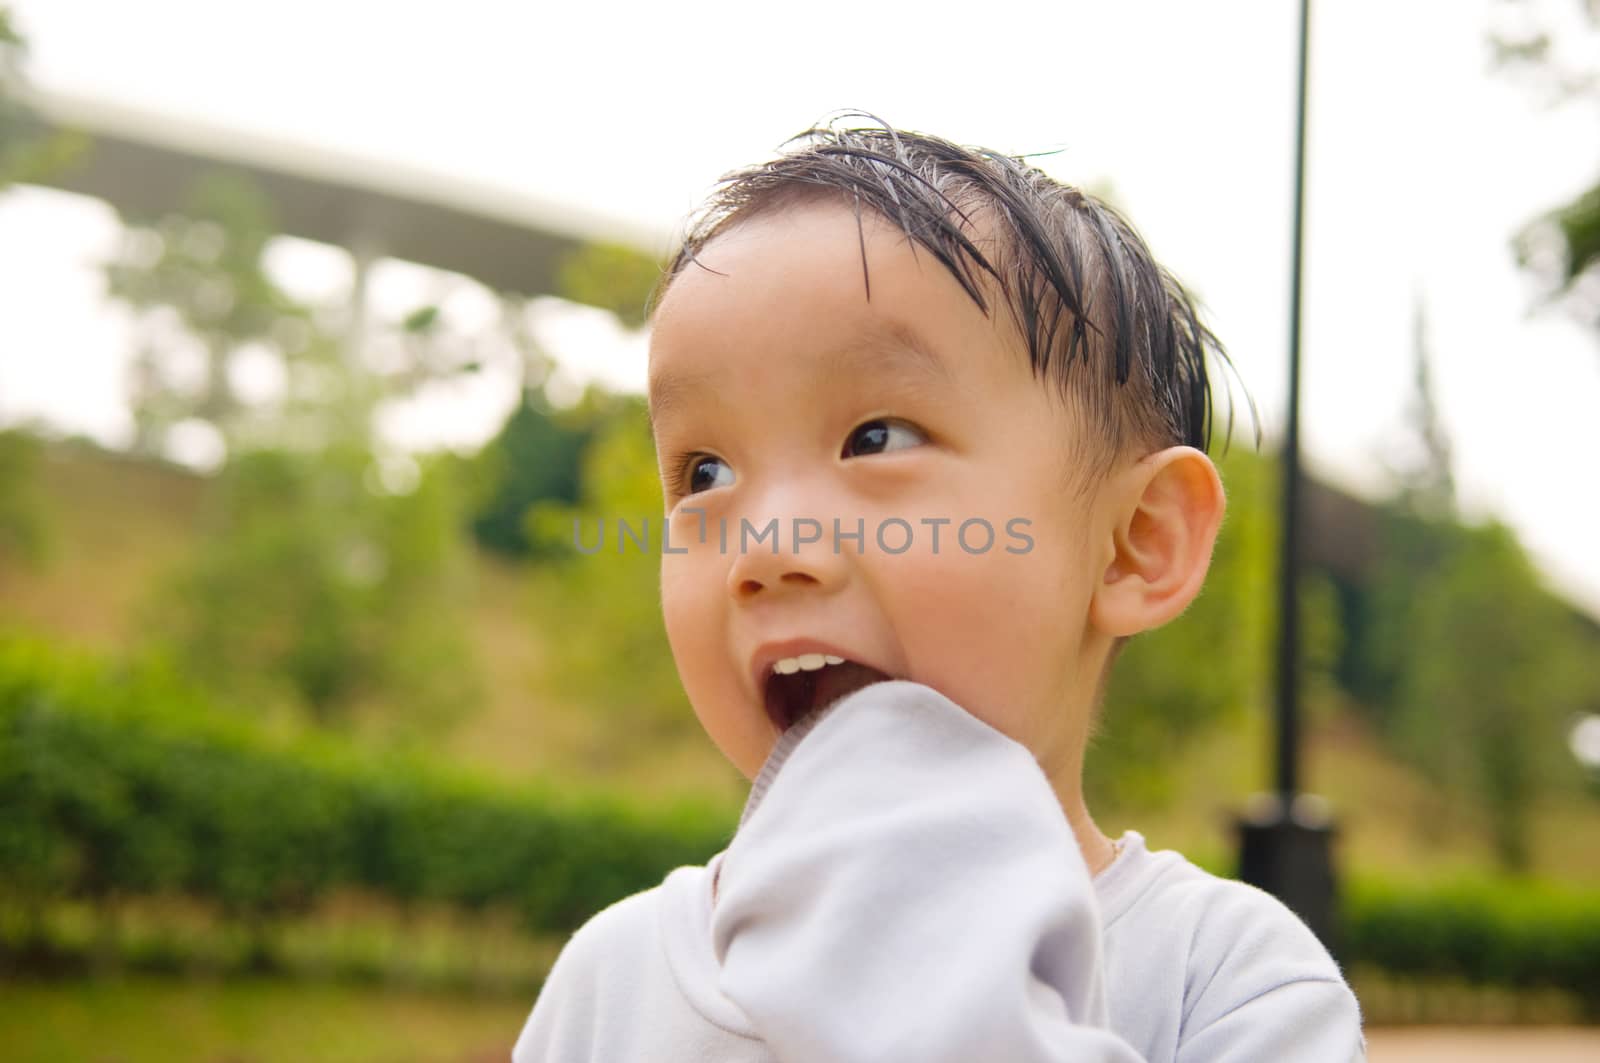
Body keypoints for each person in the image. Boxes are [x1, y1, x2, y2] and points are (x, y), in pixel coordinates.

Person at [512, 117, 1365, 1062]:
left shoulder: (1225, 980)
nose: (765, 546)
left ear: (1135, 544)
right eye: (706, 471)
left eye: (875, 438)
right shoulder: (614, 983)